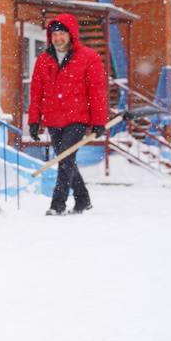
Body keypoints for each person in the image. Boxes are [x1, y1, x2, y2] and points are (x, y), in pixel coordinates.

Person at [27, 13, 108, 215]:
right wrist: (34, 120)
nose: (58, 38)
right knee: (67, 160)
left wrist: (99, 121)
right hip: (53, 120)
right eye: (54, 34)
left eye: (62, 33)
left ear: (71, 35)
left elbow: (97, 91)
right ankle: (83, 199)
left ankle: (57, 204)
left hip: (77, 118)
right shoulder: (43, 60)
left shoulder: (89, 58)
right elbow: (36, 92)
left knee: (64, 158)